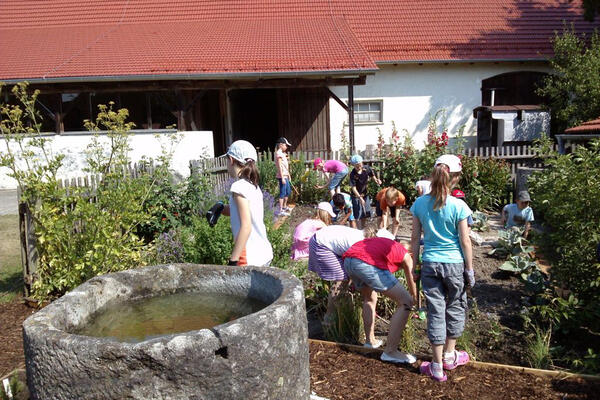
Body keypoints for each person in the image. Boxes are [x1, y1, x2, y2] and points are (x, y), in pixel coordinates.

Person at [410, 154, 473, 382]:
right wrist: (470, 269)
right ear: (454, 178)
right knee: (455, 306)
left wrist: (415, 266)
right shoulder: (459, 205)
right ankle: (449, 355)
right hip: (454, 263)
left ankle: (436, 367)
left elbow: (415, 239)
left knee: (435, 311)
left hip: (430, 263)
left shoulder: (419, 204)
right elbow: (465, 241)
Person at [342, 237, 418, 362]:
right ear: (411, 253)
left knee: (370, 298)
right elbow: (411, 281)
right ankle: (391, 352)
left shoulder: (391, 246)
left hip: (349, 260)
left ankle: (370, 341)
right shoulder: (406, 254)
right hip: (365, 262)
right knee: (406, 302)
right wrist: (414, 299)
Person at [218, 140, 273, 266]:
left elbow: (246, 226)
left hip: (249, 256)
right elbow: (240, 211)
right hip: (263, 253)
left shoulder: (238, 187)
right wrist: (220, 208)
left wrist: (233, 260)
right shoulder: (252, 186)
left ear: (231, 160)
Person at [308, 225, 376, 328]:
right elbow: (355, 268)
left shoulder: (360, 235)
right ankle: (329, 317)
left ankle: (341, 306)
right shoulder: (358, 244)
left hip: (319, 239)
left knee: (346, 276)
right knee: (341, 278)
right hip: (321, 245)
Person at [349, 154, 381, 229]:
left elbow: (372, 175)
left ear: (362, 163)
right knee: (358, 214)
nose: (359, 167)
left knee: (366, 213)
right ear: (353, 165)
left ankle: (362, 229)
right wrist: (359, 197)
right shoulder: (353, 174)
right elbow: (353, 188)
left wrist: (376, 180)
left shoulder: (366, 168)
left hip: (365, 194)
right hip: (356, 196)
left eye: (360, 164)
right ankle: (359, 231)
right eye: (356, 165)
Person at [275, 137, 292, 216]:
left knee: (288, 191)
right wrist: (282, 178)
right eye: (286, 145)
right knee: (282, 192)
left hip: (286, 176)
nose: (287, 147)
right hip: (282, 176)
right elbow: (280, 167)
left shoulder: (282, 154)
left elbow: (285, 166)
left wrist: (289, 175)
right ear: (281, 145)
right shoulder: (279, 154)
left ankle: (284, 207)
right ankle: (280, 210)